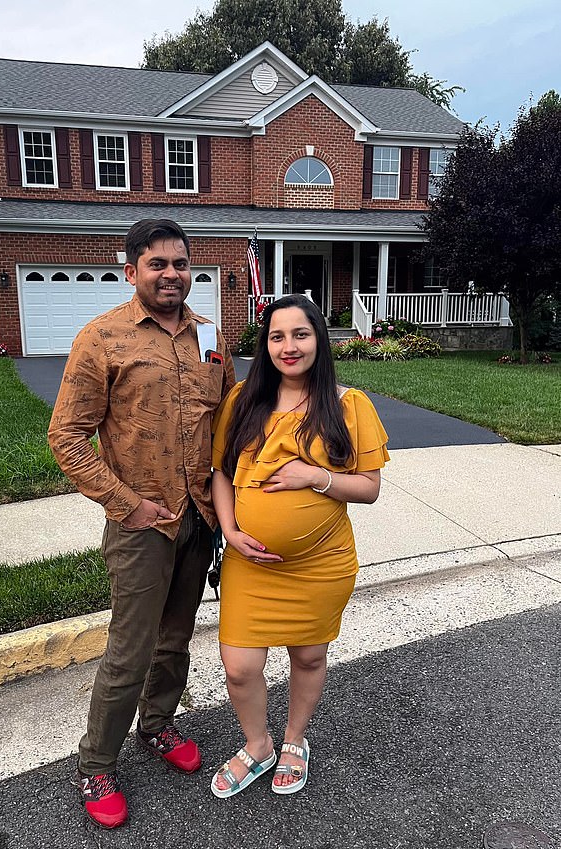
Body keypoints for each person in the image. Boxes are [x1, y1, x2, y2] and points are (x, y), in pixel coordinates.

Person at [48, 218, 235, 828]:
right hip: (140, 525)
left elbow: (227, 428)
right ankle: (96, 763)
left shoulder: (209, 340)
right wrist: (126, 503)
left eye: (180, 263)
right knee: (130, 650)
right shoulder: (102, 338)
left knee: (176, 639)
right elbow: (67, 437)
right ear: (131, 270)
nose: (172, 274)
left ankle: (157, 725)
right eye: (158, 264)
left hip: (199, 520)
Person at [209, 294, 389, 798]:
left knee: (308, 658)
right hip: (250, 563)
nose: (289, 346)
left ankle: (293, 741)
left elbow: (370, 487)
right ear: (265, 345)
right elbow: (220, 473)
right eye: (277, 336)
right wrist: (230, 532)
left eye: (301, 334)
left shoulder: (349, 404)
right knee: (240, 666)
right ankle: (258, 745)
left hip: (321, 566)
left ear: (319, 340)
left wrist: (315, 477)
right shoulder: (243, 400)